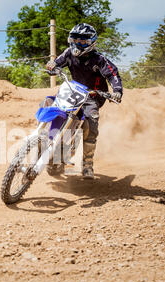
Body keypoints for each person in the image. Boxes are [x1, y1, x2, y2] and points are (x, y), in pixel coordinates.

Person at [46, 23, 123, 179]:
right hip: (72, 92)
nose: (78, 44)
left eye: (83, 42)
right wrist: (51, 66)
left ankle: (87, 164)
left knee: (91, 123)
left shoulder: (99, 59)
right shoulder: (69, 53)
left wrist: (116, 91)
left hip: (92, 97)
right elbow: (56, 63)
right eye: (74, 40)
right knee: (50, 103)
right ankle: (45, 139)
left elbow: (113, 74)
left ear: (91, 43)